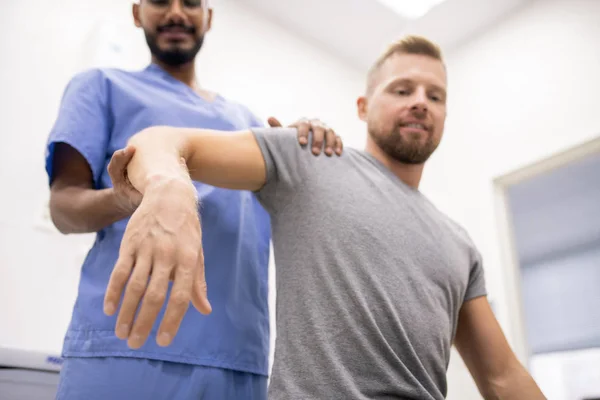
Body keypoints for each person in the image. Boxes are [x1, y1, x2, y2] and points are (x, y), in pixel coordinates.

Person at [107, 35, 547, 399]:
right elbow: (161, 141)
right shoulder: (310, 157)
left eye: (435, 96)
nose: (420, 103)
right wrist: (169, 189)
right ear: (362, 106)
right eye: (402, 89)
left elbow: (501, 376)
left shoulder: (460, 244)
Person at [46, 0, 343, 399]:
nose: (176, 13)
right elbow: (64, 206)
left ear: (208, 17)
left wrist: (305, 140)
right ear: (137, 13)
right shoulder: (101, 86)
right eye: (159, 2)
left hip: (238, 356)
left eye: (190, 3)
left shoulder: (248, 122)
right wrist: (124, 199)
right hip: (125, 347)